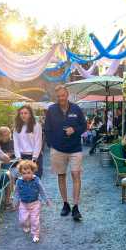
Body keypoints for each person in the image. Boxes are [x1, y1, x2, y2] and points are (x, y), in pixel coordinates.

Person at [44, 85, 86, 221]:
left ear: (67, 95)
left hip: (75, 148)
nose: (61, 98)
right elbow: (47, 129)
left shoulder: (76, 109)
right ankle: (65, 204)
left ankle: (76, 207)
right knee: (61, 176)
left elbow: (84, 126)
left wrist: (74, 129)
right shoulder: (51, 110)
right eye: (59, 96)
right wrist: (51, 145)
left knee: (76, 174)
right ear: (56, 97)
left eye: (63, 95)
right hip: (58, 149)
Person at [14, 160, 50, 243]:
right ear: (20, 173)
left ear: (33, 172)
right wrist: (15, 201)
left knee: (35, 220)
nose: (26, 175)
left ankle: (35, 234)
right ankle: (26, 225)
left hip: (35, 203)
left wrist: (46, 200)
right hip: (23, 204)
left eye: (28, 172)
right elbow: (16, 192)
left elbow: (42, 190)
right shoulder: (19, 181)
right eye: (24, 173)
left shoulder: (36, 180)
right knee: (23, 220)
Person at [13, 104, 43, 178]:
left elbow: (38, 142)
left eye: (26, 113)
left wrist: (34, 158)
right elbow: (16, 144)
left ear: (30, 114)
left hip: (34, 156)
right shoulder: (17, 127)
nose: (23, 115)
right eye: (21, 113)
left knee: (35, 180)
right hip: (22, 157)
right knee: (22, 181)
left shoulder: (36, 126)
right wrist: (19, 158)